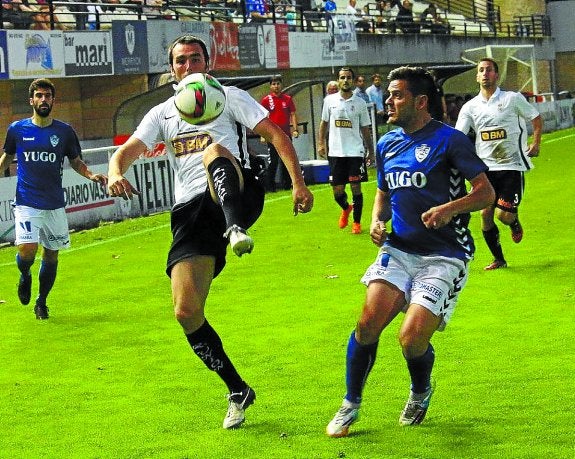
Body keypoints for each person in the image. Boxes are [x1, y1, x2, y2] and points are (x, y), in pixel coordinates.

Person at [106, 35, 313, 430]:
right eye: (181, 61)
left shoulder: (229, 96)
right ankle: (237, 389)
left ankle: (234, 226)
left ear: (208, 63)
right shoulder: (162, 113)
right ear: (172, 70)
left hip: (235, 191)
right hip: (190, 214)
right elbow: (126, 152)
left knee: (214, 151)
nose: (188, 65)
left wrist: (298, 183)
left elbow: (275, 135)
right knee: (186, 311)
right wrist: (116, 172)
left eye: (195, 58)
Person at [325, 66, 495, 437]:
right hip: (399, 250)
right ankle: (350, 404)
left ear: (420, 102)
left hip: (444, 255)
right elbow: (385, 190)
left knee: (411, 339)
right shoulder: (388, 143)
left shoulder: (450, 141)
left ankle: (420, 390)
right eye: (389, 94)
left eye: (397, 95)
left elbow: (486, 193)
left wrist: (448, 209)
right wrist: (375, 219)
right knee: (368, 324)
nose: (389, 100)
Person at [0, 78, 107, 320]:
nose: (43, 100)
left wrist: (90, 174)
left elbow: (76, 161)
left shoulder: (64, 131)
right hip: (27, 201)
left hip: (54, 204)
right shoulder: (17, 130)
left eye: (47, 96)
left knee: (51, 254)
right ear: (31, 100)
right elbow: (6, 159)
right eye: (39, 96)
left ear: (53, 100)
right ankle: (25, 275)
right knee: (27, 250)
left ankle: (42, 302)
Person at [455, 57, 542, 270]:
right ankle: (499, 260)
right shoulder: (470, 107)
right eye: (481, 70)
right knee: (485, 215)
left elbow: (536, 117)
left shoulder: (512, 99)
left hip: (511, 166)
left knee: (503, 216)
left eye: (489, 70)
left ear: (496, 75)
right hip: (485, 170)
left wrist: (536, 141)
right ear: (477, 76)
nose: (484, 73)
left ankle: (514, 222)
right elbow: (458, 136)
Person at [318, 67, 374, 235]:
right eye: (342, 77)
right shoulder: (329, 101)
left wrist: (370, 151)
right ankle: (346, 208)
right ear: (338, 80)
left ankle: (356, 223)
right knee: (338, 192)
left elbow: (365, 129)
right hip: (336, 153)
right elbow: (323, 124)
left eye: (348, 77)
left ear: (353, 81)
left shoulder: (360, 103)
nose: (345, 80)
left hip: (355, 153)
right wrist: (321, 143)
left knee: (356, 187)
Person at [260, 74, 299, 192]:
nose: (276, 86)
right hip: (272, 136)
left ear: (281, 85)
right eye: (273, 84)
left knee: (287, 160)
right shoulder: (266, 100)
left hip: (286, 135)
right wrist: (262, 134)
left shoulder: (287, 99)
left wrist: (295, 129)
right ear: (270, 86)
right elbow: (262, 117)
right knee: (273, 161)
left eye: (278, 83)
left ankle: (287, 185)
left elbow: (292, 114)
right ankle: (270, 186)